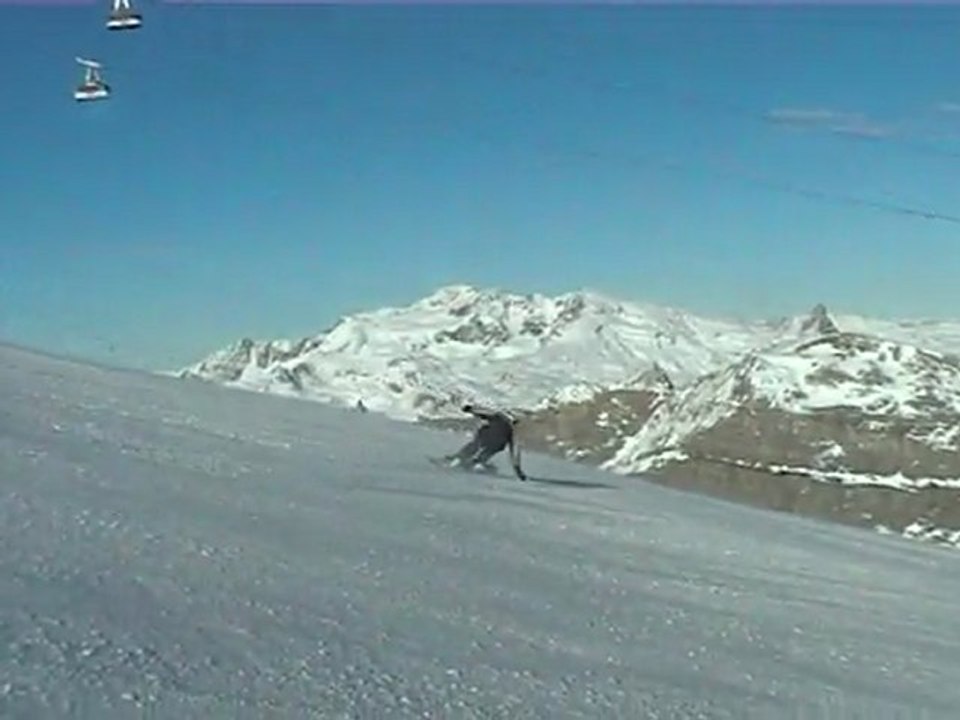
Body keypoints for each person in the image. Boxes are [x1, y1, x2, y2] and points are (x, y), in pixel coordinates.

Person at [443, 403, 527, 481]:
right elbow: (513, 452)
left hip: (489, 439)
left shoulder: (499, 417)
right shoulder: (511, 430)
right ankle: (476, 463)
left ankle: (461, 460)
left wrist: (470, 410)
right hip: (496, 444)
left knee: (474, 447)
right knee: (482, 453)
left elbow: (484, 413)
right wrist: (518, 470)